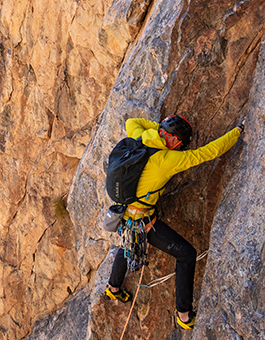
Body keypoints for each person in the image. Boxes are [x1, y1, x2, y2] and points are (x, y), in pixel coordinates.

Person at [104, 115, 242, 329]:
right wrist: (237, 132)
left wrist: (158, 128)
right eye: (180, 144)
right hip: (142, 220)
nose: (180, 148)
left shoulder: (140, 137)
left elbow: (131, 121)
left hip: (125, 214)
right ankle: (184, 315)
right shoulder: (168, 160)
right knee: (186, 254)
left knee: (128, 244)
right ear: (175, 142)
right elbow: (207, 153)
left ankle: (113, 289)